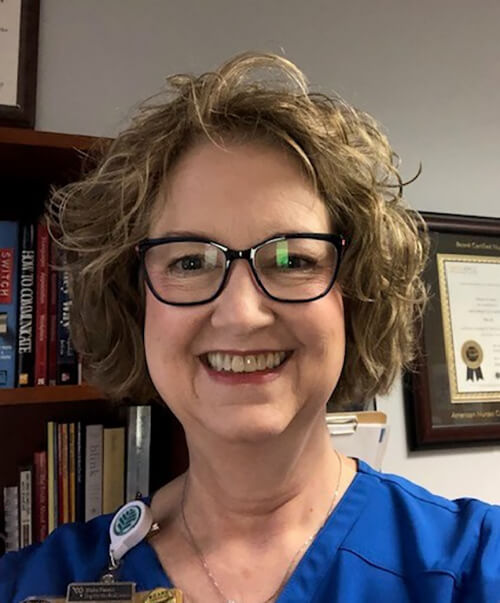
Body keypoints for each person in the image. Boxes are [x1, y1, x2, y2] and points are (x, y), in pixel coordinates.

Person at [1, 51, 499, 603]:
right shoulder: (31, 584)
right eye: (188, 262)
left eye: (294, 261)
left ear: (355, 297)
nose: (240, 313)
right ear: (133, 302)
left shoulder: (474, 565)